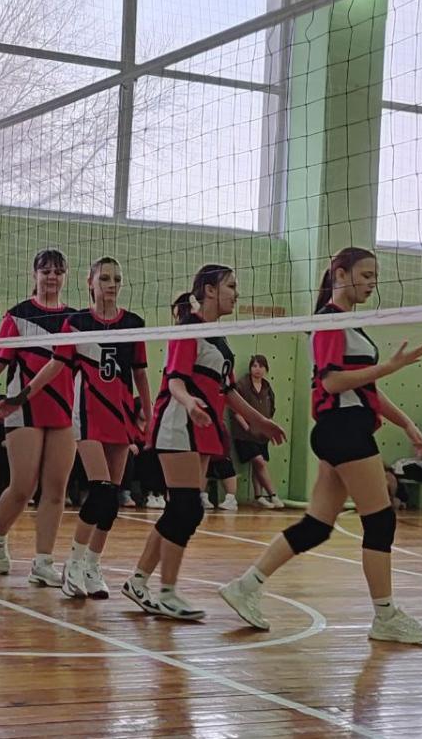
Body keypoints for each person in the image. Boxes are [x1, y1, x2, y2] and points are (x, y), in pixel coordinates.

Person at [218, 247, 422, 644]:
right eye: (366, 275)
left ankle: (245, 586)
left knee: (316, 527)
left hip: (343, 429)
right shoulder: (328, 321)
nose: (372, 283)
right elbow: (332, 382)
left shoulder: (350, 325)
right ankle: (385, 616)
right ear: (340, 274)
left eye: (375, 276)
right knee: (380, 521)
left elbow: (366, 388)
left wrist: (405, 422)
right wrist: (388, 366)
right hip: (344, 430)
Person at [121, 265, 285, 620]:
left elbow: (227, 390)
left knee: (181, 510)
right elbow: (175, 380)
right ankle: (167, 593)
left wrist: (260, 421)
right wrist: (189, 403)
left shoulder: (219, 339)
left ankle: (138, 581)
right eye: (231, 286)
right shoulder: (188, 329)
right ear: (209, 290)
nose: (236, 293)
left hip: (202, 428)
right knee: (186, 507)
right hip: (179, 423)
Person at [1, 257, 151, 599]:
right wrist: (20, 396)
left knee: (111, 501)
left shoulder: (134, 324)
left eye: (117, 279)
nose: (111, 285)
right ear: (90, 283)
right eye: (105, 278)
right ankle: (73, 563)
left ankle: (92, 565)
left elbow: (141, 374)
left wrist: (148, 412)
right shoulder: (77, 323)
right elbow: (55, 366)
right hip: (87, 415)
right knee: (100, 491)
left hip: (120, 416)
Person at [0, 248, 77, 587]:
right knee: (24, 487)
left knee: (56, 489)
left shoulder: (75, 319)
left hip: (64, 409)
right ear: (34, 275)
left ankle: (43, 561)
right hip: (22, 408)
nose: (52, 277)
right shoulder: (17, 316)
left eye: (58, 271)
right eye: (46, 271)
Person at [231, 354, 284, 509]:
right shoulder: (242, 385)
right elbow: (235, 409)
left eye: (261, 366)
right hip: (245, 435)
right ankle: (273, 495)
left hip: (262, 435)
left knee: (259, 465)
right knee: (259, 461)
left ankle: (258, 496)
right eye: (254, 366)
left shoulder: (267, 388)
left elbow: (271, 409)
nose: (257, 369)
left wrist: (268, 427)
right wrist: (247, 427)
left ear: (266, 369)